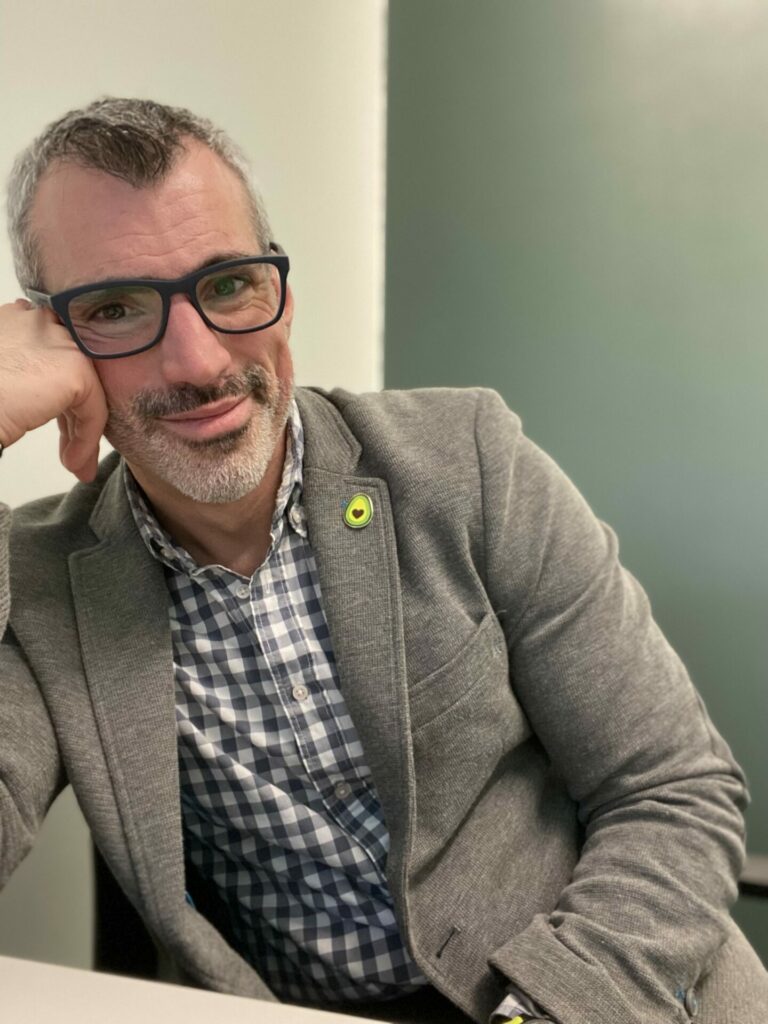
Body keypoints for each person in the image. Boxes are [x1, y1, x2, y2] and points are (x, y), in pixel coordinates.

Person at [0, 98, 764, 1024]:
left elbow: (673, 789)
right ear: (51, 338)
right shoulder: (38, 579)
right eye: (116, 308)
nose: (197, 360)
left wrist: (548, 1011)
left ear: (283, 293)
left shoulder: (468, 462)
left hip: (599, 989)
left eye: (230, 284)